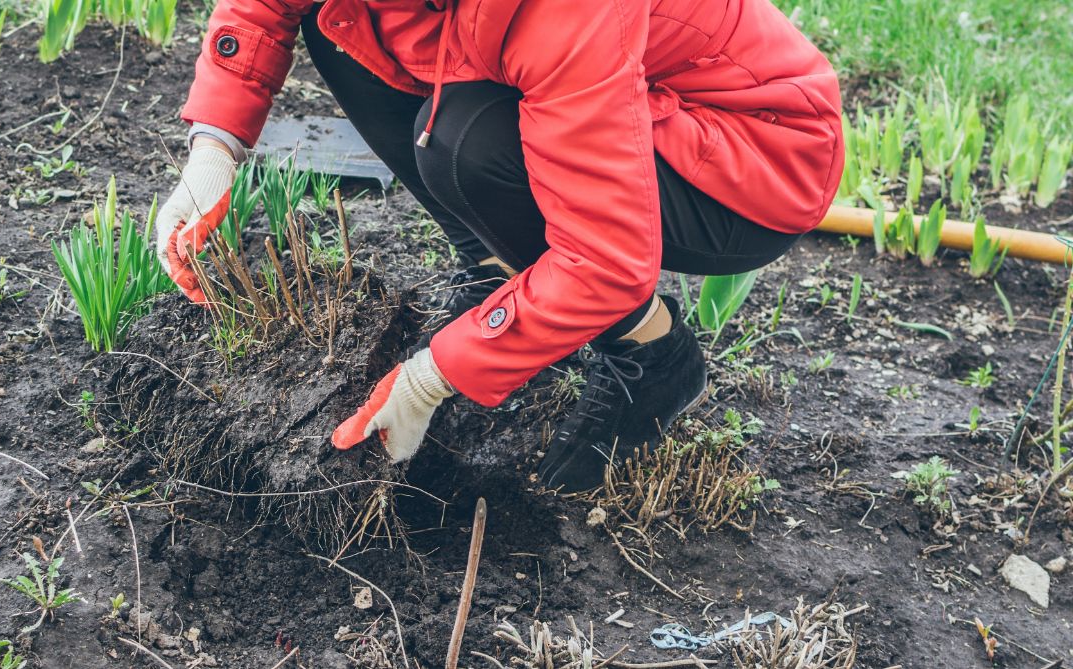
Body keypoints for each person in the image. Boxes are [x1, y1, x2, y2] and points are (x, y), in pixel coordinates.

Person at [155, 0, 843, 492]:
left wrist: (434, 375)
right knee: (341, 20)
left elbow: (603, 260)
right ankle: (493, 265)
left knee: (469, 144)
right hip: (592, 79)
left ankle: (652, 352)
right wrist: (213, 150)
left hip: (749, 158)